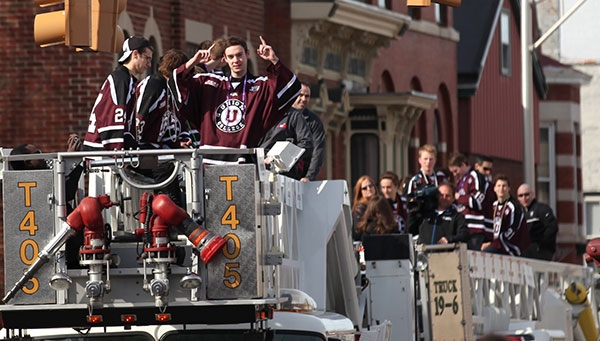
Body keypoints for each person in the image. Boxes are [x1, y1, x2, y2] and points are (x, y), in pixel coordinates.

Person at [173, 36, 301, 151]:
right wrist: (194, 61)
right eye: (231, 57)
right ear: (224, 59)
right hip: (209, 158)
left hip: (242, 159)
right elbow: (175, 82)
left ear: (248, 54)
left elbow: (293, 87)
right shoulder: (210, 83)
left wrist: (274, 60)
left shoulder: (260, 85)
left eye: (240, 55)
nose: (236, 60)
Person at [11, 134, 85, 268]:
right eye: (37, 153)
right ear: (28, 162)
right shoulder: (34, 182)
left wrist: (72, 158)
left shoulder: (29, 182)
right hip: (62, 253)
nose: (42, 156)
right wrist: (72, 160)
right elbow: (66, 193)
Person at [135, 49, 191, 207]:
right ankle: (170, 215)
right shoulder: (154, 84)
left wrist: (177, 143)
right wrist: (133, 147)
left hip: (156, 148)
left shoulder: (168, 88)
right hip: (140, 151)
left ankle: (178, 213)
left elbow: (165, 127)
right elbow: (138, 119)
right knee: (166, 167)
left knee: (183, 164)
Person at [84, 36, 153, 151]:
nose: (149, 64)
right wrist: (119, 155)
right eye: (147, 58)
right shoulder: (121, 80)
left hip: (103, 149)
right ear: (135, 54)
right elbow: (111, 123)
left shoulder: (125, 79)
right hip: (100, 151)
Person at [448, 153, 492, 250]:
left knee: (474, 261)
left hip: (476, 229)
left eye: (456, 171)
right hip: (464, 229)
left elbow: (478, 202)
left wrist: (459, 198)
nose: (454, 174)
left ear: (463, 165)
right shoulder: (460, 181)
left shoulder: (475, 176)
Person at [258, 107, 313, 180]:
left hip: (285, 174)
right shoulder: (257, 114)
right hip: (258, 169)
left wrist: (279, 158)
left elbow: (306, 143)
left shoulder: (294, 115)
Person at [405, 144, 448, 236]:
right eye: (425, 159)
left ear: (435, 160)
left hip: (440, 220)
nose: (428, 162)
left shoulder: (441, 178)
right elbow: (409, 204)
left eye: (431, 159)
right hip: (420, 222)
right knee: (420, 248)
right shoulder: (415, 181)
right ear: (419, 160)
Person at [482, 175, 530, 256]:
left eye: (504, 186)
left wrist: (494, 243)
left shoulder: (514, 207)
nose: (501, 189)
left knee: (486, 254)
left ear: (509, 188)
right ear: (494, 188)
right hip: (496, 244)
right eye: (499, 186)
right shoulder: (493, 206)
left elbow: (513, 230)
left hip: (510, 246)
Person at [292, 82, 326, 182]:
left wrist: (309, 176)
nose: (303, 99)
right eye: (300, 95)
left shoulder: (314, 121)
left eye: (307, 96)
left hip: (303, 176)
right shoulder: (281, 116)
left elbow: (318, 150)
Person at [517, 183, 558, 261]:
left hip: (542, 252)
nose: (524, 198)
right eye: (521, 195)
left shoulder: (542, 209)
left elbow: (552, 227)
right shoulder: (519, 213)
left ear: (532, 194)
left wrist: (541, 246)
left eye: (527, 194)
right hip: (525, 252)